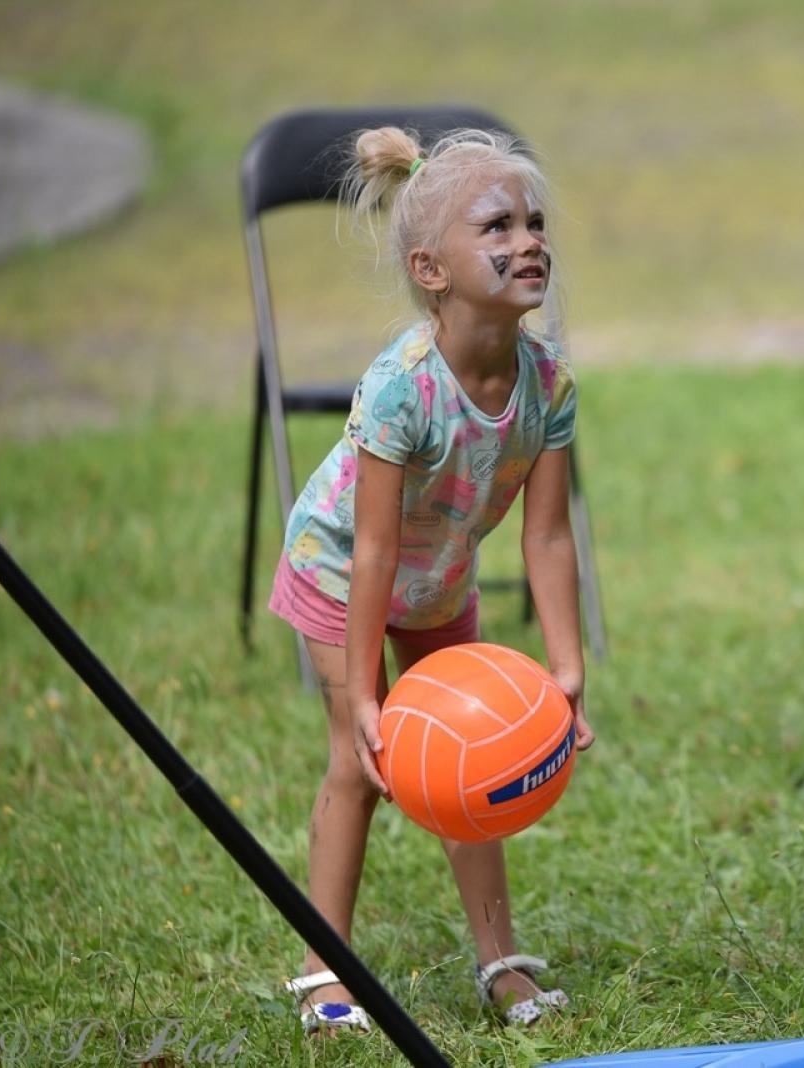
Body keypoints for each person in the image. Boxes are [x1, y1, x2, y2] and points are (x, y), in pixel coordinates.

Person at [267, 126, 595, 1033]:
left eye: (532, 223)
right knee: (361, 765)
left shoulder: (548, 383)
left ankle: (503, 964)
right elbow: (369, 551)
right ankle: (324, 974)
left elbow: (548, 537)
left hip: (438, 580)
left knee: (471, 757)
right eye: (496, 227)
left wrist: (565, 671)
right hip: (342, 575)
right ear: (431, 269)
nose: (527, 241)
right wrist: (369, 696)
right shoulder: (400, 389)